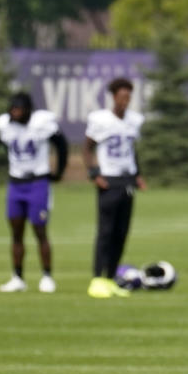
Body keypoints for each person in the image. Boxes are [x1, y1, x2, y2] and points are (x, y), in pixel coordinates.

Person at [0, 92, 68, 293]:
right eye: (12, 109)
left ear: (28, 110)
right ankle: (18, 277)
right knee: (16, 232)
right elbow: (6, 145)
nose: (14, 112)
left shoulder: (41, 123)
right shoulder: (4, 124)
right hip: (16, 183)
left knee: (40, 230)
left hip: (38, 182)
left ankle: (47, 276)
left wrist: (58, 172)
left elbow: (61, 145)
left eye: (18, 109)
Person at [83, 77, 147, 299]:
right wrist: (94, 174)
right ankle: (96, 279)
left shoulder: (133, 120)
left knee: (121, 232)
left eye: (128, 97)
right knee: (106, 232)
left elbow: (131, 150)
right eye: (121, 96)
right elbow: (87, 148)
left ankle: (110, 278)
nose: (125, 101)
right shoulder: (101, 120)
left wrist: (137, 174)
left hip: (126, 180)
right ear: (113, 97)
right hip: (108, 180)